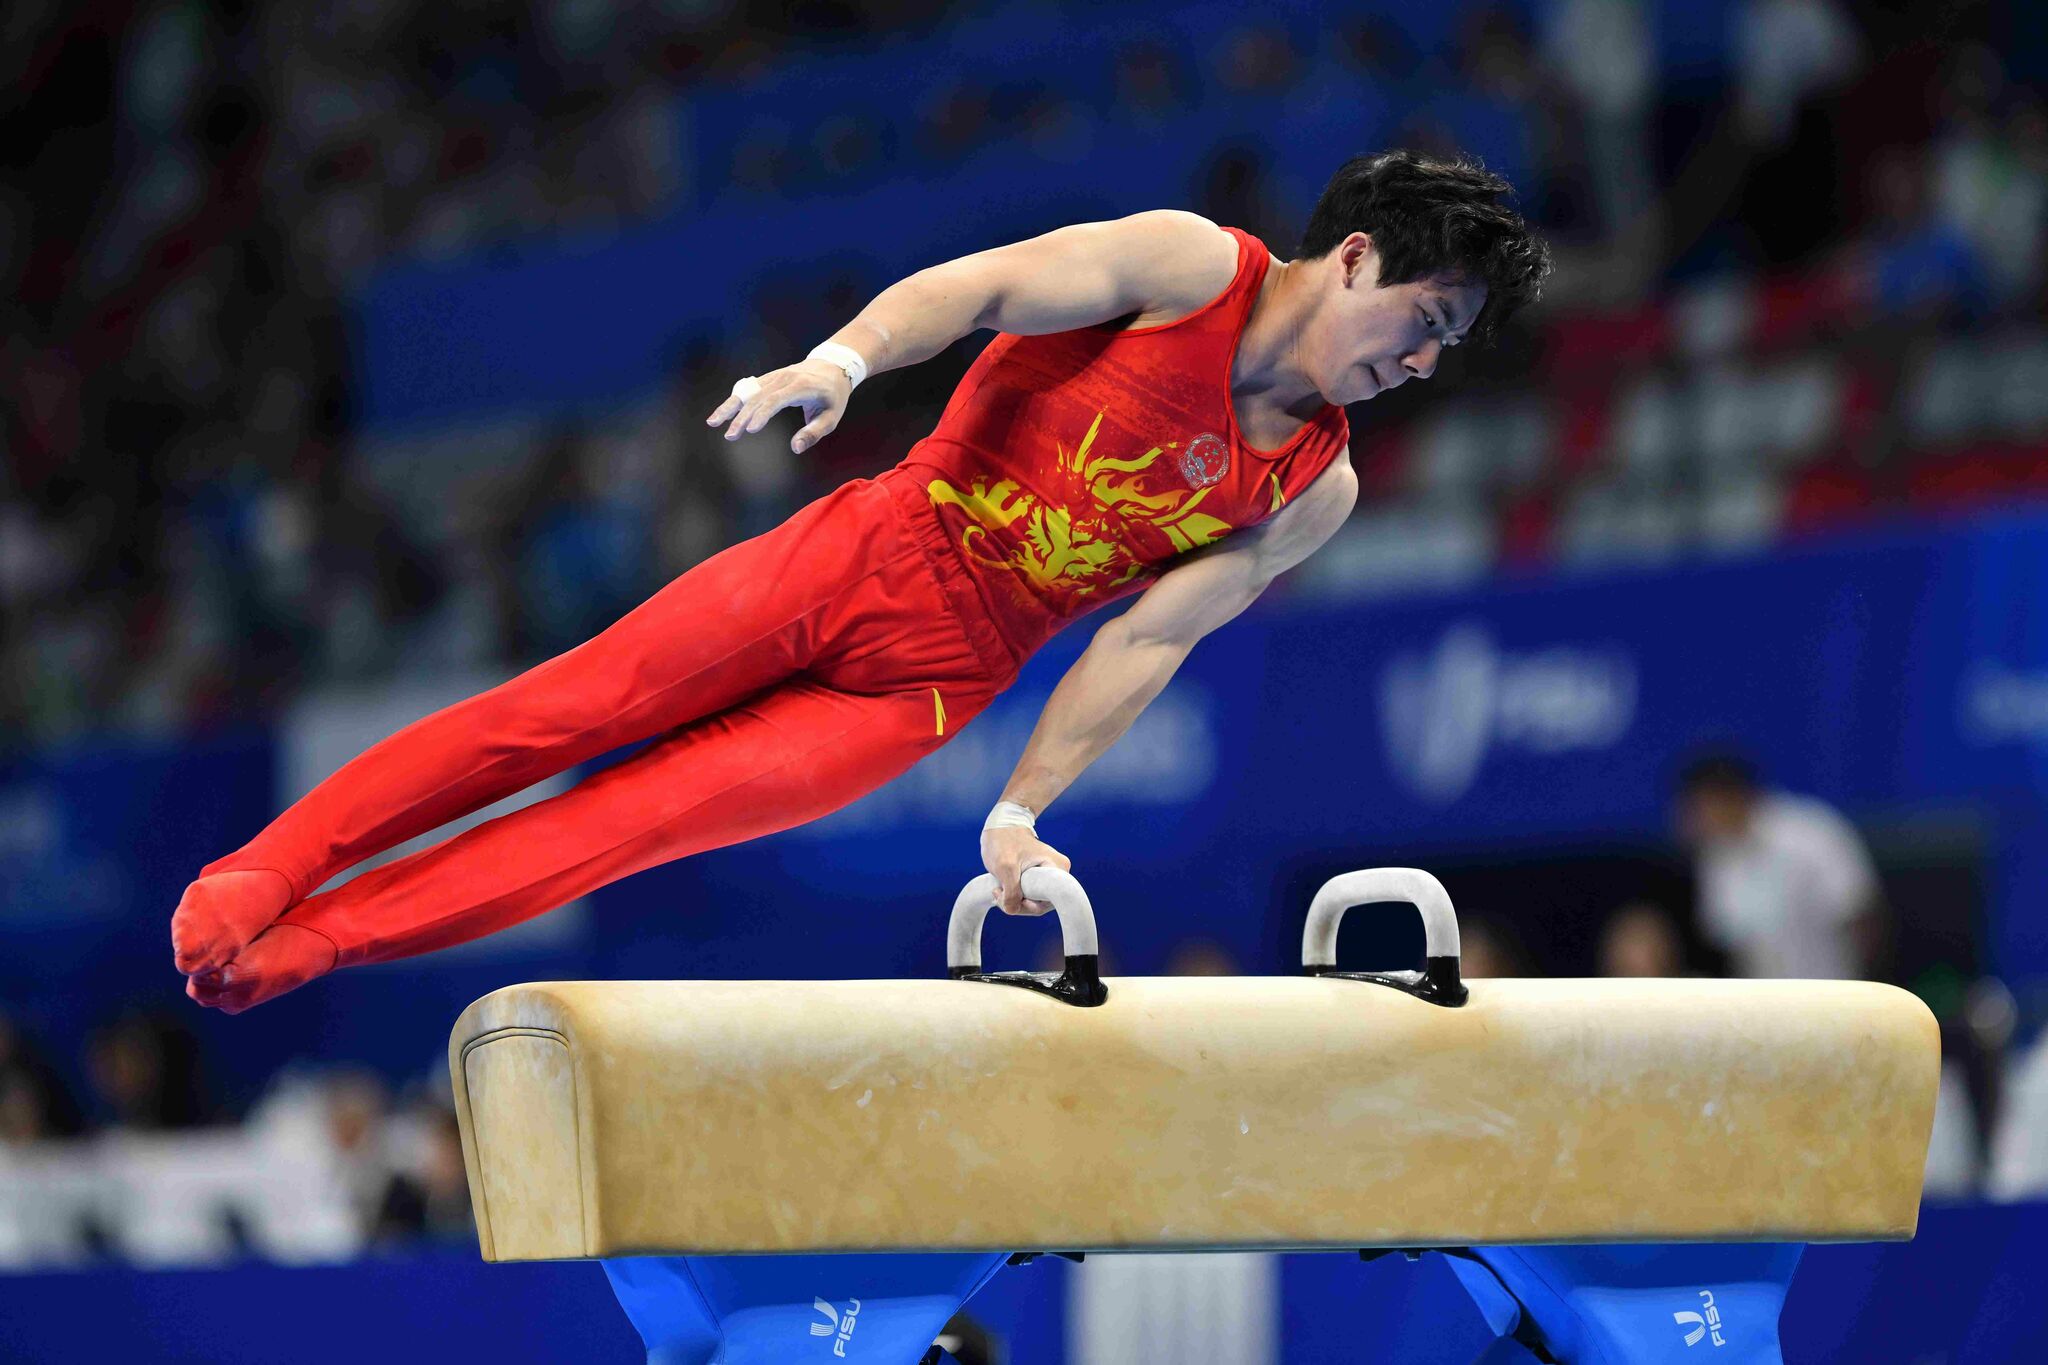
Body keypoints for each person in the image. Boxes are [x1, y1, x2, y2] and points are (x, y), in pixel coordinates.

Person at [173, 150, 1551, 1012]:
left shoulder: (1316, 488)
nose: (1421, 362)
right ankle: (267, 870)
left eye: (1446, 349)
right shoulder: (1190, 267)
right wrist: (845, 358)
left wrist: (1020, 808)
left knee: (625, 826)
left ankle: (323, 941)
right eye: (1423, 321)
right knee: (558, 714)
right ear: (1355, 257)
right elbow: (985, 286)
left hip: (929, 692)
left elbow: (1145, 642)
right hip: (869, 548)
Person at [1674, 752, 1885, 980]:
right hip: (1763, 996)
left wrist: (1866, 987)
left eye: (1696, 809)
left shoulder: (1810, 832)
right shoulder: (1714, 856)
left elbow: (1860, 913)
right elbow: (1727, 941)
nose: (1690, 821)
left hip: (1835, 989)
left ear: (1725, 799)